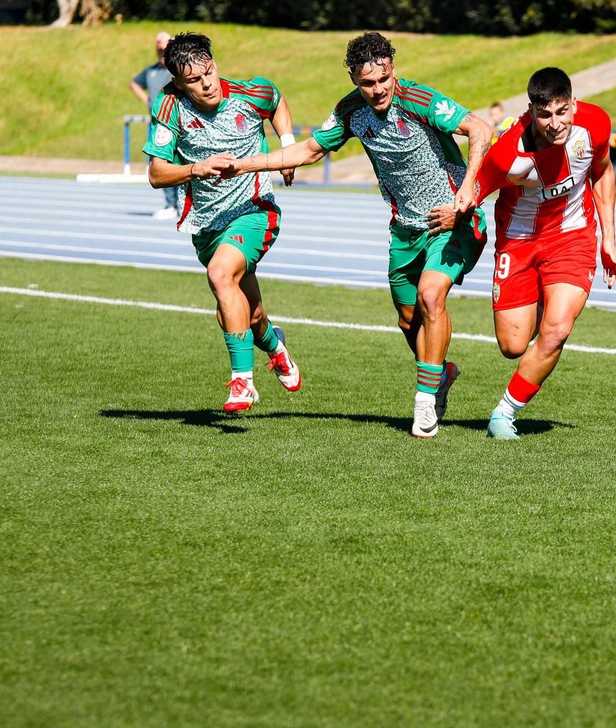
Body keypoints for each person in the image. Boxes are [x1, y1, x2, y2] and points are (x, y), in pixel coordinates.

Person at [213, 32, 493, 439]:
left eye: (383, 80)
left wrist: (468, 190)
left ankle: (424, 401)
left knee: (432, 296)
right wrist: (245, 165)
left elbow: (481, 129)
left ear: (392, 69)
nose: (377, 90)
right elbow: (308, 151)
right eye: (367, 83)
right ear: (354, 80)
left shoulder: (419, 100)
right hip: (405, 230)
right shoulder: (350, 111)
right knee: (408, 319)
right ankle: (442, 372)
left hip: (452, 221)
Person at [143, 32, 302, 414]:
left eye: (210, 72)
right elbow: (156, 173)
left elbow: (276, 100)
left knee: (219, 275)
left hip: (254, 211)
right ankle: (276, 347)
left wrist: (289, 146)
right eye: (195, 80)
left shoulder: (249, 93)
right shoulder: (169, 107)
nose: (208, 83)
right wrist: (196, 168)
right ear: (178, 84)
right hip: (207, 224)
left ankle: (242, 383)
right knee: (247, 313)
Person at [472, 67, 616, 440]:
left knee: (556, 331)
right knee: (513, 345)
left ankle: (504, 413)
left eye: (562, 111)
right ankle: (539, 296)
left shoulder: (596, 125)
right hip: (518, 241)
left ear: (573, 103)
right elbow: (472, 193)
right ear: (531, 111)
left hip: (573, 235)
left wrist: (609, 239)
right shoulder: (508, 156)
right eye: (545, 115)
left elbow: (602, 171)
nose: (555, 123)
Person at [131, 31, 179, 219]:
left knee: (180, 165)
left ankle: (184, 205)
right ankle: (170, 205)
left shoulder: (176, 69)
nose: (161, 52)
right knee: (160, 165)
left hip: (177, 125)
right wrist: (147, 99)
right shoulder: (150, 71)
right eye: (158, 48)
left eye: (164, 47)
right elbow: (134, 83)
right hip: (157, 126)